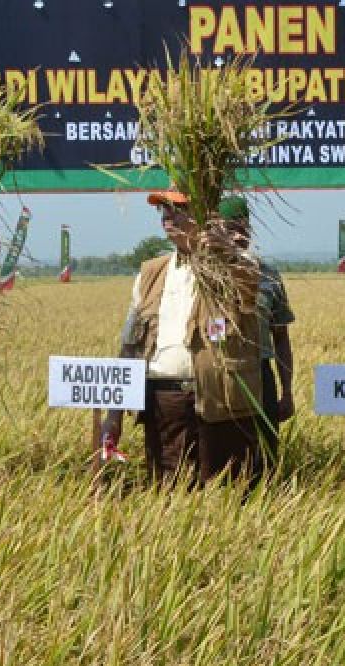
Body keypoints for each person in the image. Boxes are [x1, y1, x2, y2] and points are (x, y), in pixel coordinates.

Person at [100, 190, 263, 487]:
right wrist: (115, 413)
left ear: (204, 214)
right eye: (163, 210)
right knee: (169, 493)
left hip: (221, 401)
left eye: (177, 209)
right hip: (165, 402)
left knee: (227, 494)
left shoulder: (233, 264)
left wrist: (225, 251)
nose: (167, 217)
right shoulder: (151, 273)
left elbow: (250, 295)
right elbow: (130, 345)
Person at [218, 195, 295, 469]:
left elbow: (281, 337)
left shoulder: (268, 275)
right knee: (225, 458)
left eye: (243, 228)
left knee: (265, 456)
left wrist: (287, 391)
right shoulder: (206, 276)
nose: (238, 236)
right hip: (221, 373)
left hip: (261, 371)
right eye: (230, 229)